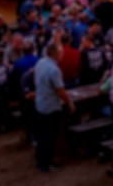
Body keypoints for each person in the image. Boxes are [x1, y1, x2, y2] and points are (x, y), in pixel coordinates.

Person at [34, 43, 75, 172]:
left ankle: (41, 160)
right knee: (50, 136)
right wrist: (69, 102)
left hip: (41, 103)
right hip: (51, 106)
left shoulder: (41, 62)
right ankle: (46, 163)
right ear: (56, 54)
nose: (62, 54)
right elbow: (60, 90)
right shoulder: (54, 69)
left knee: (42, 135)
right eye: (61, 51)